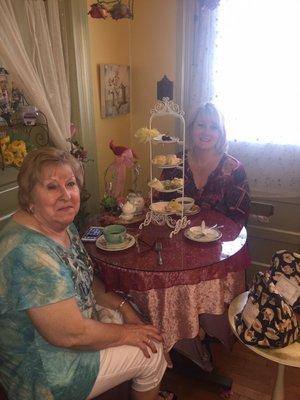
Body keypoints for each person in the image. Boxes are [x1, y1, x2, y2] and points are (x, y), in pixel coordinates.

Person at [0, 147, 175, 400]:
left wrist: (126, 309)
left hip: (71, 336)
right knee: (153, 351)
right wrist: (127, 333)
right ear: (29, 196)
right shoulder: (29, 252)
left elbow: (83, 279)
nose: (66, 195)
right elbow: (70, 334)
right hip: (48, 375)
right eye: (52, 187)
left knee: (139, 319)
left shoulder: (62, 224)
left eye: (70, 184)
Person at [159, 103, 250, 226]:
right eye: (201, 125)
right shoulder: (175, 163)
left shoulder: (234, 170)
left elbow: (239, 219)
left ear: (221, 133)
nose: (206, 132)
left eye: (213, 127)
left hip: (220, 242)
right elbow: (160, 205)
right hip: (175, 237)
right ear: (191, 129)